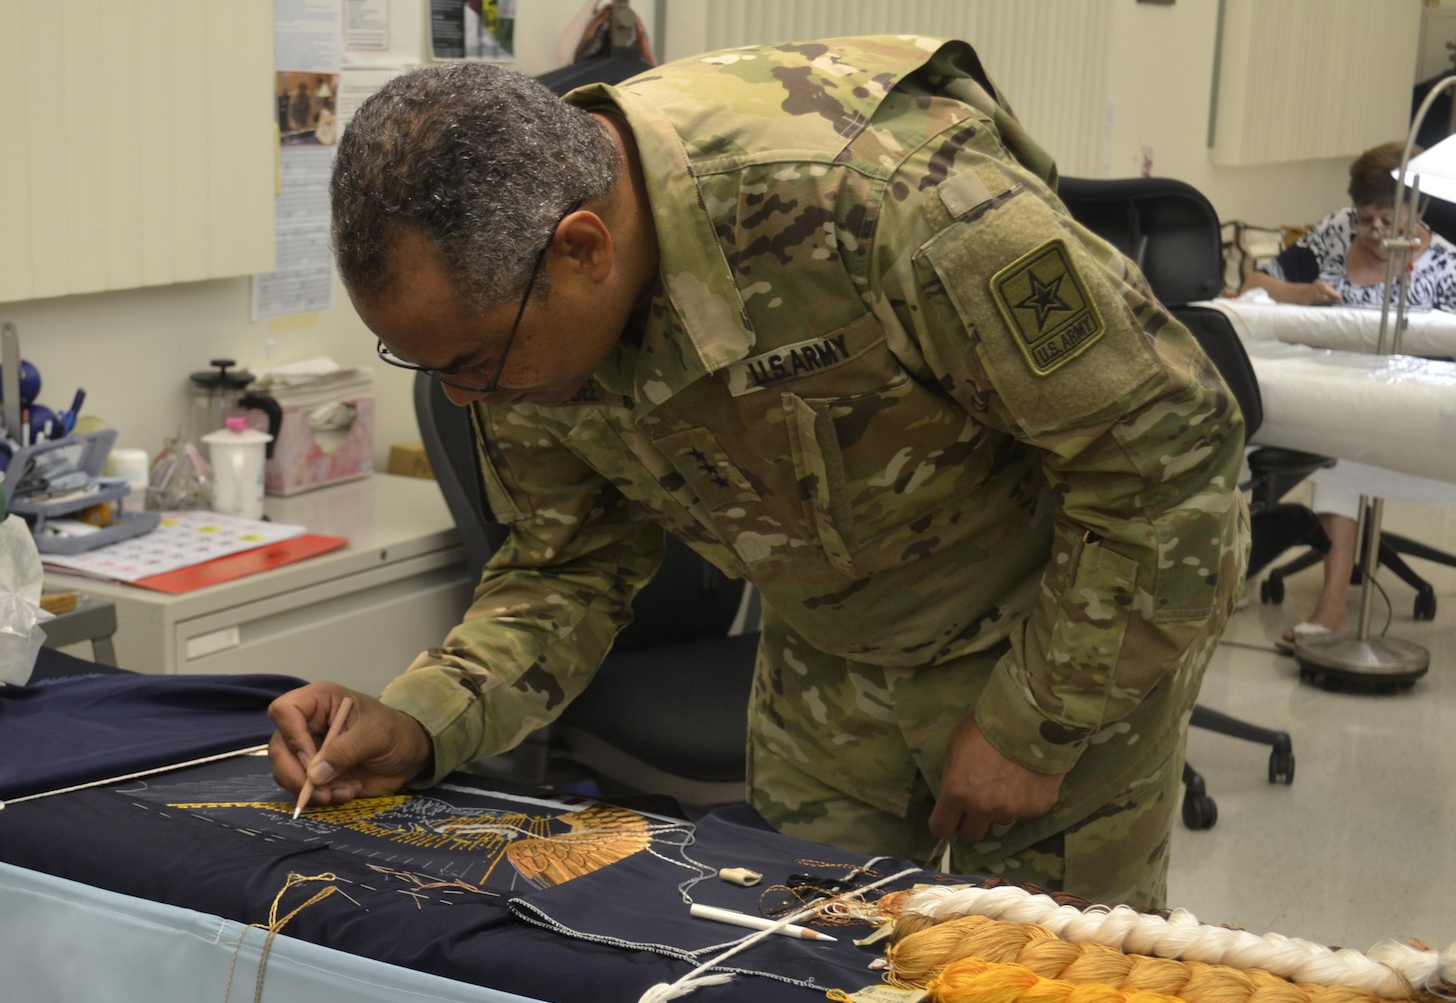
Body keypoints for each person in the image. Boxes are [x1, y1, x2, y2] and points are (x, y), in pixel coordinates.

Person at [269, 37, 1249, 907]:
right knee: (793, 989)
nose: (468, 399)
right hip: (828, 655)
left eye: (473, 363)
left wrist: (1037, 726)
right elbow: (565, 568)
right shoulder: (515, 320)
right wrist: (416, 719)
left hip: (1064, 628)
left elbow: (1170, 457)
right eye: (431, 368)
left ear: (583, 250)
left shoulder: (892, 200)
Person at [1241, 142, 1456, 644]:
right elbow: (1256, 283)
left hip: (1399, 412)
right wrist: (1306, 294)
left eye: (1389, 222)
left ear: (1419, 209)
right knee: (1242, 430)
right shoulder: (1337, 230)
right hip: (1325, 391)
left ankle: (1331, 607)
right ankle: (1231, 574)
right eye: (1367, 220)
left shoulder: (1445, 266)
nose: (1376, 234)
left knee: (1344, 451)